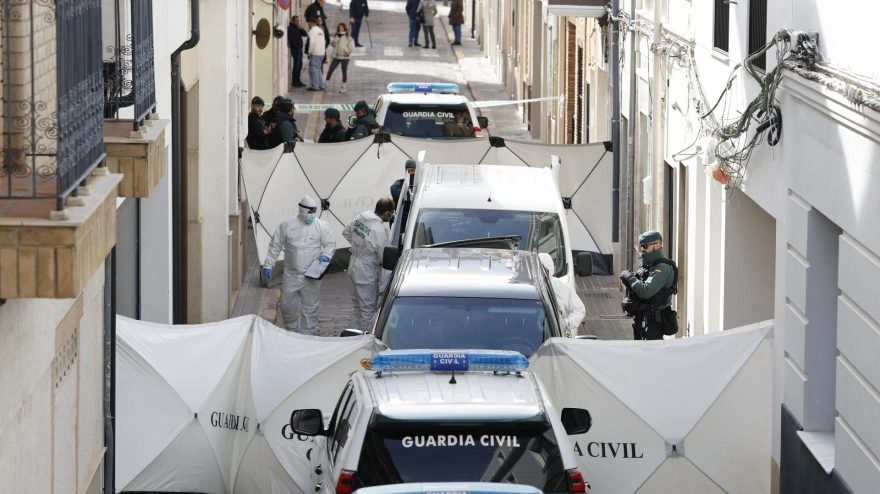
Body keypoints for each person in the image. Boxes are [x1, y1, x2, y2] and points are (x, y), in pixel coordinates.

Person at [263, 195, 336, 333]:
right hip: (291, 275)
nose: (312, 215)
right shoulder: (287, 225)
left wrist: (326, 255)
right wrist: (268, 264)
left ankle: (307, 335)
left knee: (310, 308)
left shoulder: (322, 226)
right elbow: (275, 245)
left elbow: (330, 244)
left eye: (314, 212)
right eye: (309, 212)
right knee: (287, 306)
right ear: (302, 210)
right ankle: (292, 332)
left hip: (311, 276)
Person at [343, 198, 394, 330]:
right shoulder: (378, 230)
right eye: (392, 212)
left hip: (353, 265)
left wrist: (359, 246)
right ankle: (363, 342)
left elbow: (346, 232)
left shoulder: (360, 218)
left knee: (357, 307)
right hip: (366, 271)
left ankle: (350, 338)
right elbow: (386, 257)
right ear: (387, 213)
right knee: (368, 311)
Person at [619, 230, 677, 340]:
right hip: (642, 320)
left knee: (653, 355)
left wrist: (630, 278)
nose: (642, 249)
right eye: (641, 246)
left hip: (653, 323)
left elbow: (646, 291)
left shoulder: (662, 268)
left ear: (657, 246)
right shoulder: (648, 265)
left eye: (645, 246)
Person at [538, 253, 586, 335]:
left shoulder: (563, 288)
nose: (538, 272)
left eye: (541, 269)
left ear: (548, 270)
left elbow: (579, 310)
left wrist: (566, 324)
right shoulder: (531, 288)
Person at [327, 23, 355, 93]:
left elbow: (352, 48)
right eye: (339, 27)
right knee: (331, 69)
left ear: (344, 28)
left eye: (342, 27)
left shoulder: (348, 37)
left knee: (344, 71)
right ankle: (325, 84)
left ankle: (344, 87)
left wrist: (345, 50)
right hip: (337, 56)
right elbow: (333, 44)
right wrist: (337, 38)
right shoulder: (337, 36)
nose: (340, 29)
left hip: (345, 57)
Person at [306, 18, 327, 91]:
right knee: (318, 69)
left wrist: (309, 51)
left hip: (315, 53)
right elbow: (324, 41)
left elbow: (312, 42)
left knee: (313, 70)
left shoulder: (312, 31)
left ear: (311, 23)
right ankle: (321, 85)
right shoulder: (320, 30)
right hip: (322, 53)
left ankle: (315, 86)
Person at [288, 15, 308, 88]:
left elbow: (305, 34)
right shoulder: (290, 29)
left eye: (298, 20)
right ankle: (294, 81)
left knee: (300, 65)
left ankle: (298, 80)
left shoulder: (298, 28)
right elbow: (291, 40)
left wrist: (301, 28)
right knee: (296, 66)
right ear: (292, 21)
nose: (297, 22)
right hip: (295, 49)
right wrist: (297, 47)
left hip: (300, 49)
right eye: (296, 20)